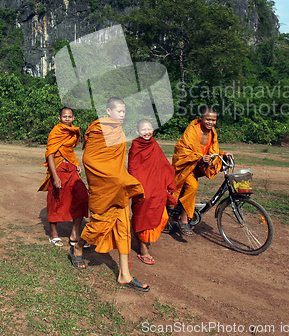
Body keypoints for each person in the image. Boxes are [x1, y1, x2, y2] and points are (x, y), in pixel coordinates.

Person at [70, 97, 150, 292]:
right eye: (119, 111)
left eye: (124, 112)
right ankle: (78, 247)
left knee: (123, 229)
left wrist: (120, 179)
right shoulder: (98, 129)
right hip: (105, 188)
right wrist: (115, 179)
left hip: (117, 188)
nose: (122, 115)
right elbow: (90, 159)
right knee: (98, 225)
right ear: (108, 111)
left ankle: (124, 275)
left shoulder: (120, 131)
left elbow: (116, 162)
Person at [172, 106, 233, 236]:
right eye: (208, 119)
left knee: (191, 188)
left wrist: (223, 154)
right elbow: (182, 150)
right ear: (201, 118)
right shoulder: (193, 130)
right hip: (187, 167)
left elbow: (212, 151)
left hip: (198, 167)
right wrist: (199, 157)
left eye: (214, 120)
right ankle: (183, 220)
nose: (211, 122)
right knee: (192, 186)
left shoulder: (212, 133)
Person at [128, 119, 177, 265]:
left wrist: (168, 182)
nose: (147, 132)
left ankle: (140, 236)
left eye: (149, 129)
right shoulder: (135, 146)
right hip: (143, 189)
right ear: (137, 132)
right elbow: (133, 168)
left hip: (157, 188)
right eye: (143, 130)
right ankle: (143, 250)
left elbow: (163, 165)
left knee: (162, 217)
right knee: (144, 217)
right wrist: (139, 187)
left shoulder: (154, 145)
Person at [38, 107, 88, 247]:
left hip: (70, 167)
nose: (67, 119)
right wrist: (55, 176)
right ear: (59, 118)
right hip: (58, 167)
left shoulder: (73, 131)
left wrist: (75, 163)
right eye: (64, 116)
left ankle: (75, 234)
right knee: (56, 199)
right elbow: (50, 154)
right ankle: (54, 234)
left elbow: (69, 150)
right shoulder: (56, 132)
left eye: (70, 116)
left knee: (82, 196)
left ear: (73, 118)